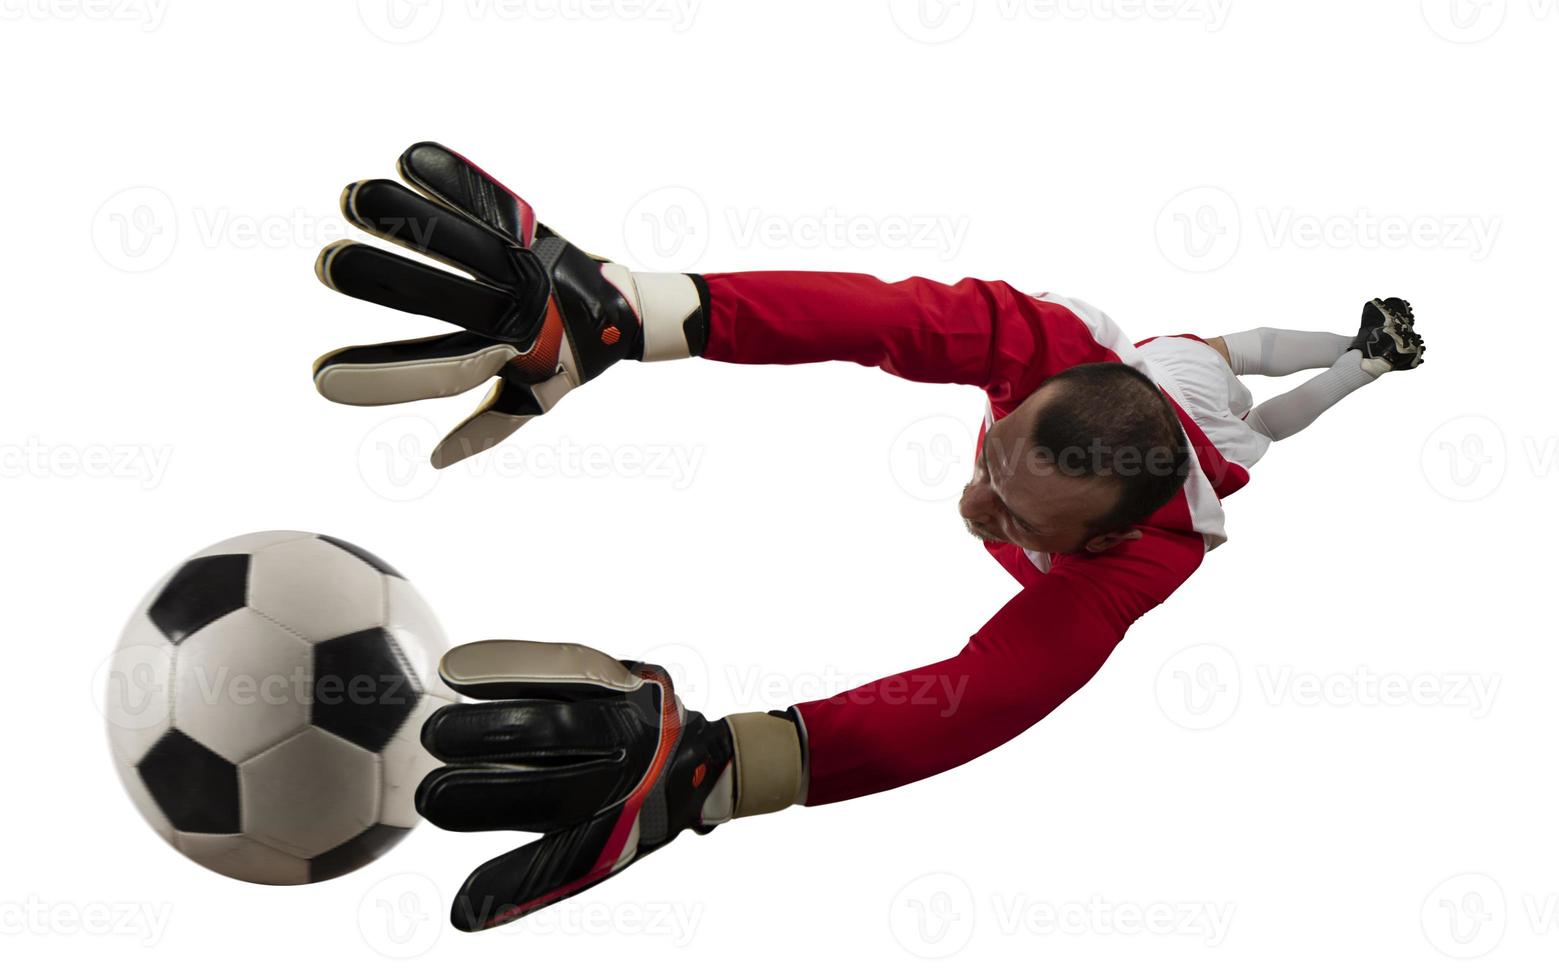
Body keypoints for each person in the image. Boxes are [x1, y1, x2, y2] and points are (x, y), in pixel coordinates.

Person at [311, 143, 1426, 931]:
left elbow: (984, 692)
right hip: (1182, 373)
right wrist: (635, 310)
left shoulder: (1148, 554)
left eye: (1014, 520)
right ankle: (1350, 338)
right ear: (1047, 388)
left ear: (1092, 547)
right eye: (994, 464)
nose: (976, 502)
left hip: (1228, 443)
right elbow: (884, 318)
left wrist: (725, 764)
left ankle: (1364, 366)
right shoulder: (1055, 349)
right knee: (1247, 353)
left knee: (1283, 415)